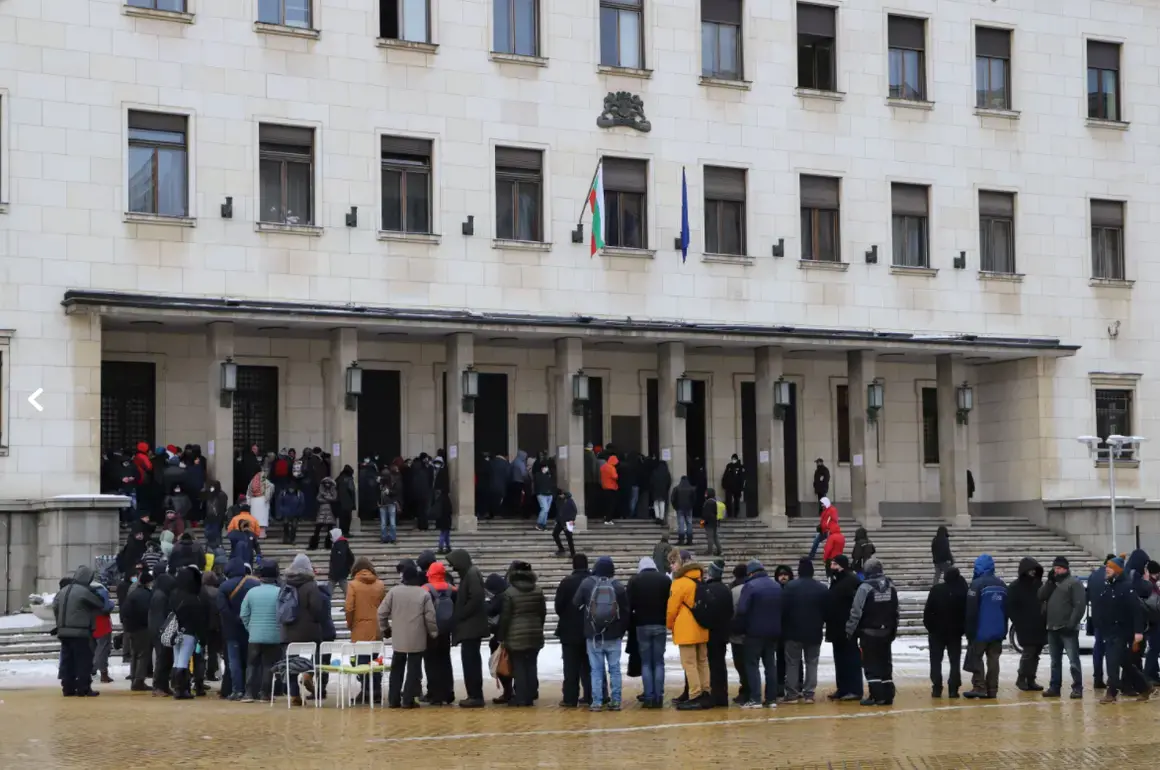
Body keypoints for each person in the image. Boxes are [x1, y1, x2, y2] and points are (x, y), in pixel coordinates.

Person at [574, 555, 631, 711]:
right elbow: (626, 611)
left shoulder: (587, 583)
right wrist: (621, 630)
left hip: (593, 635)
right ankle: (616, 701)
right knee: (614, 669)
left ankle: (597, 702)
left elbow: (575, 603)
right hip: (614, 635)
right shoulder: (618, 586)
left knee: (596, 670)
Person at [378, 562, 438, 708]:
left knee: (396, 669)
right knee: (414, 670)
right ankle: (408, 699)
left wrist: (385, 629)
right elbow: (430, 617)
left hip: (398, 638)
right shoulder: (423, 594)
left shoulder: (394, 592)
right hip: (417, 639)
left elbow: (381, 612)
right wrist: (433, 633)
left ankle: (393, 699)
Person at [1095, 556, 1148, 703]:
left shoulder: (1126, 587)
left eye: (1110, 568)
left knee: (1112, 661)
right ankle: (1145, 687)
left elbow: (1136, 611)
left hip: (1122, 631)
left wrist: (1138, 632)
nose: (1107, 569)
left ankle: (1111, 692)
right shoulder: (1107, 586)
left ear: (1117, 571)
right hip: (1109, 631)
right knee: (1125, 663)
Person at [846, 557, 899, 706]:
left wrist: (850, 630)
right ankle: (888, 694)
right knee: (885, 664)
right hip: (886, 632)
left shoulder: (865, 587)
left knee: (871, 665)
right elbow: (896, 610)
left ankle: (876, 695)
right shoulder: (891, 586)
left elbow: (856, 611)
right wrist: (893, 629)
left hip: (869, 632)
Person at [53, 565, 113, 697]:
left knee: (67, 661)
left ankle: (67, 688)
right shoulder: (84, 591)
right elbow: (100, 604)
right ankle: (84, 688)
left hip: (63, 632)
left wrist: (60, 623)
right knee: (83, 661)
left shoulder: (63, 590)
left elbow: (55, 605)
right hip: (80, 632)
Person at [281, 553, 328, 705]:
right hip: (310, 630)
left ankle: (294, 695)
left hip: (290, 630)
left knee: (291, 662)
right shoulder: (311, 585)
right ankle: (309, 673)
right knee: (319, 653)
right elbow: (316, 608)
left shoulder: (286, 584)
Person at [499, 560, 547, 707]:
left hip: (515, 634)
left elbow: (506, 617)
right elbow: (542, 613)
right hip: (534, 632)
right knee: (532, 664)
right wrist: (538, 626)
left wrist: (502, 635)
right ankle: (531, 694)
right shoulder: (538, 591)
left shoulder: (509, 593)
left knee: (518, 665)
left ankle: (520, 697)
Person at [734, 559, 781, 709]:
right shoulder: (776, 585)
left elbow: (742, 609)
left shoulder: (750, 586)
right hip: (773, 632)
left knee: (752, 664)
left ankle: (755, 698)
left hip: (754, 632)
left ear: (752, 573)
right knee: (770, 665)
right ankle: (772, 699)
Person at [1039, 556, 1086, 699]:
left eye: (1059, 568)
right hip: (1052, 627)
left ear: (1066, 568)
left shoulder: (1074, 583)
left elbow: (1079, 606)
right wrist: (1049, 582)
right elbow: (1040, 595)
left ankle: (1077, 687)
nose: (1056, 571)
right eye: (1054, 569)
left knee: (1073, 660)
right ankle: (1054, 686)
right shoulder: (1053, 584)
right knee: (1054, 661)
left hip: (1067, 628)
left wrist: (1071, 624)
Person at [447, 549, 489, 708]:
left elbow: (476, 597)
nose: (453, 569)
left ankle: (475, 696)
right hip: (471, 627)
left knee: (470, 662)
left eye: (454, 565)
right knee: (470, 661)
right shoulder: (470, 573)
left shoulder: (471, 574)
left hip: (471, 627)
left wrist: (461, 614)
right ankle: (474, 694)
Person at [782, 558, 827, 704]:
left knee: (792, 663)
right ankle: (809, 693)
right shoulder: (821, 588)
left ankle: (792, 694)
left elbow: (784, 609)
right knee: (812, 662)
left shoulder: (790, 587)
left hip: (793, 631)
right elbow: (826, 611)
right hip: (814, 632)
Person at [628, 556, 671, 708]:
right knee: (659, 662)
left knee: (646, 663)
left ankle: (648, 696)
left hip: (641, 625)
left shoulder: (635, 580)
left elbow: (629, 604)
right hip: (660, 624)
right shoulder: (665, 580)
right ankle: (659, 697)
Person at [963, 554, 1007, 700]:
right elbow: (1006, 609)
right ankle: (992, 689)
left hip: (980, 630)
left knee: (976, 657)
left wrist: (969, 631)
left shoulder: (976, 585)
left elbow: (971, 611)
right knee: (994, 659)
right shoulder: (1001, 585)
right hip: (998, 630)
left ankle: (979, 687)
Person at [555, 554, 597, 707]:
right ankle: (590, 695)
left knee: (571, 666)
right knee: (590, 665)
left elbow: (558, 606)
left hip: (569, 630)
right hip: (591, 629)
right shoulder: (594, 581)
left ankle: (570, 698)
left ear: (573, 565)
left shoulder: (566, 582)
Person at [345, 556, 386, 705]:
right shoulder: (380, 585)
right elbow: (384, 608)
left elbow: (349, 608)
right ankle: (376, 691)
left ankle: (365, 691)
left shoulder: (353, 585)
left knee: (361, 663)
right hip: (376, 628)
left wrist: (351, 625)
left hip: (359, 628)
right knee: (375, 661)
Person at [218, 559, 259, 700]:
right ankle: (252, 690)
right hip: (252, 628)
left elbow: (223, 609)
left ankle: (237, 690)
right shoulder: (255, 583)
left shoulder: (224, 587)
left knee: (234, 661)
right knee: (251, 660)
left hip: (232, 630)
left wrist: (237, 619)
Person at [923, 566, 967, 698]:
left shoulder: (936, 590)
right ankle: (953, 689)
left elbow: (927, 612)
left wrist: (931, 628)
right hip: (954, 633)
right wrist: (961, 629)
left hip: (936, 632)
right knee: (955, 661)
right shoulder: (961, 592)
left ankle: (937, 687)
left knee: (936, 660)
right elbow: (965, 613)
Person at [825, 555, 863, 701]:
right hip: (836, 628)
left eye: (834, 564)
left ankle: (854, 690)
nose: (831, 567)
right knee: (840, 659)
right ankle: (842, 689)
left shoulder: (852, 580)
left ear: (842, 565)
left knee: (851, 659)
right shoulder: (837, 580)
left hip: (848, 629)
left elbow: (857, 605)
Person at [170, 565, 209, 700]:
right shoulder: (193, 598)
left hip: (175, 632)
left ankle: (176, 686)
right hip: (188, 632)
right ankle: (182, 689)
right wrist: (202, 637)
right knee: (183, 660)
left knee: (177, 659)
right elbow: (199, 620)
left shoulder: (174, 594)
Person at [1008, 557, 1046, 691]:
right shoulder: (1015, 587)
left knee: (1036, 654)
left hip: (1039, 625)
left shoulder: (1039, 585)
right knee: (1028, 653)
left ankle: (1031, 679)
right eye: (1030, 570)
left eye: (1034, 570)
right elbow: (1011, 607)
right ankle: (1021, 678)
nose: (1033, 572)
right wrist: (1018, 621)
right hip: (1025, 626)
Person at [423, 561, 457, 706]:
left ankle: (435, 694)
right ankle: (448, 692)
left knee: (431, 661)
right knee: (445, 660)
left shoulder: (425, 589)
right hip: (446, 630)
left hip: (431, 631)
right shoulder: (452, 589)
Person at [703, 558, 735, 706]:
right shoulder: (726, 589)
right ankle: (722, 694)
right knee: (720, 664)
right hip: (722, 633)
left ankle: (714, 695)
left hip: (710, 633)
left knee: (711, 664)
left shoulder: (707, 589)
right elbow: (730, 612)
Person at [122, 568, 154, 691]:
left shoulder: (133, 594)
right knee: (143, 654)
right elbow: (147, 612)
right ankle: (139, 680)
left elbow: (125, 611)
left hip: (130, 628)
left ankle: (134, 677)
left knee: (135, 654)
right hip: (142, 628)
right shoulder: (147, 595)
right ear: (148, 582)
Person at [485, 572, 514, 704]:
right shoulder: (508, 592)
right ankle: (515, 691)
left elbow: (491, 610)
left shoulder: (501, 597)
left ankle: (508, 692)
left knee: (501, 664)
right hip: (512, 634)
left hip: (503, 636)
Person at [1087, 555, 1115, 690]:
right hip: (1111, 619)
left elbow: (1088, 597)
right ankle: (1112, 679)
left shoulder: (1093, 576)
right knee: (1111, 649)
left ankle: (1097, 678)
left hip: (1097, 618)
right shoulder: (1111, 575)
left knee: (1098, 649)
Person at [90, 576, 114, 684]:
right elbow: (106, 607)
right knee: (103, 649)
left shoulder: (86, 590)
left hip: (91, 622)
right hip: (102, 622)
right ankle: (104, 674)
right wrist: (112, 604)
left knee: (93, 648)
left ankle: (92, 670)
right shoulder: (102, 590)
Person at [308, 477, 338, 551]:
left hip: (330, 511)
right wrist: (327, 499)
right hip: (322, 511)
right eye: (326, 483)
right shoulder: (321, 491)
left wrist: (325, 497)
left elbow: (334, 498)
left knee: (329, 529)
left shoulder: (333, 491)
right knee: (317, 529)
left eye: (328, 483)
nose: (327, 484)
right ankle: (313, 545)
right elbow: (318, 498)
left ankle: (328, 545)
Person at [378, 462, 402, 544]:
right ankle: (385, 537)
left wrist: (389, 492)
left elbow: (397, 492)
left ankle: (392, 537)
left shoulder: (393, 482)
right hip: (383, 503)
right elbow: (376, 493)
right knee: (384, 523)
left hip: (391, 502)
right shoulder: (380, 482)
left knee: (391, 523)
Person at [670, 476, 697, 547]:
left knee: (681, 524)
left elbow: (672, 499)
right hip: (688, 508)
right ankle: (689, 540)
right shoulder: (692, 489)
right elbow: (694, 499)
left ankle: (681, 540)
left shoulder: (676, 488)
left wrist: (676, 507)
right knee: (689, 523)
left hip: (680, 508)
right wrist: (691, 506)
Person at [327, 527, 354, 597]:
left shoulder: (340, 544)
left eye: (332, 536)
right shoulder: (341, 544)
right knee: (347, 592)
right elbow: (351, 557)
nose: (331, 538)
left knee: (328, 592)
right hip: (340, 572)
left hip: (337, 573)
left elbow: (340, 560)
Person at [203, 480, 229, 551]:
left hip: (217, 518)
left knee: (216, 534)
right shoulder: (211, 495)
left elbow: (222, 508)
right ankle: (211, 547)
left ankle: (217, 547)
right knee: (209, 534)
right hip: (210, 518)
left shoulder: (221, 495)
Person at [552, 489, 577, 558]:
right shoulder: (559, 501)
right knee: (555, 534)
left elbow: (574, 510)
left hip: (568, 522)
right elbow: (559, 511)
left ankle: (573, 553)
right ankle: (561, 548)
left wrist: (572, 519)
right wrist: (557, 520)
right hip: (560, 522)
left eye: (561, 495)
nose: (560, 496)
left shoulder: (570, 501)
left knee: (569, 537)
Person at [532, 453, 555, 531]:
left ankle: (543, 524)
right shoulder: (538, 475)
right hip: (542, 494)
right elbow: (539, 483)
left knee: (546, 510)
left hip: (549, 494)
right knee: (544, 509)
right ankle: (539, 524)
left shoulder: (549, 475)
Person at [700, 487, 723, 557]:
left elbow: (706, 514)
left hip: (709, 523)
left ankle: (710, 551)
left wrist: (703, 522)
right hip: (715, 522)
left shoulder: (708, 502)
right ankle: (719, 550)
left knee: (710, 537)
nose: (705, 494)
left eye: (706, 493)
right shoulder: (714, 501)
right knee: (715, 537)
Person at [649, 456, 671, 525]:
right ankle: (661, 518)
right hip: (663, 490)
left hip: (655, 490)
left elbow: (651, 482)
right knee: (662, 504)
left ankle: (657, 517)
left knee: (656, 503)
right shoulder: (666, 473)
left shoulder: (655, 472)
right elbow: (669, 482)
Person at [599, 454, 619, 525]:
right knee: (611, 505)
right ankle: (608, 519)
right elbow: (615, 477)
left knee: (606, 504)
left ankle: (605, 517)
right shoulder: (612, 468)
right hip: (611, 488)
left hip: (604, 487)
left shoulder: (603, 467)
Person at [432, 489, 453, 555]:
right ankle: (442, 547)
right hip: (446, 519)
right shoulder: (447, 500)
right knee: (445, 534)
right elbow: (450, 510)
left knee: (445, 534)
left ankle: (447, 547)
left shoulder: (439, 499)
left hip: (441, 520)